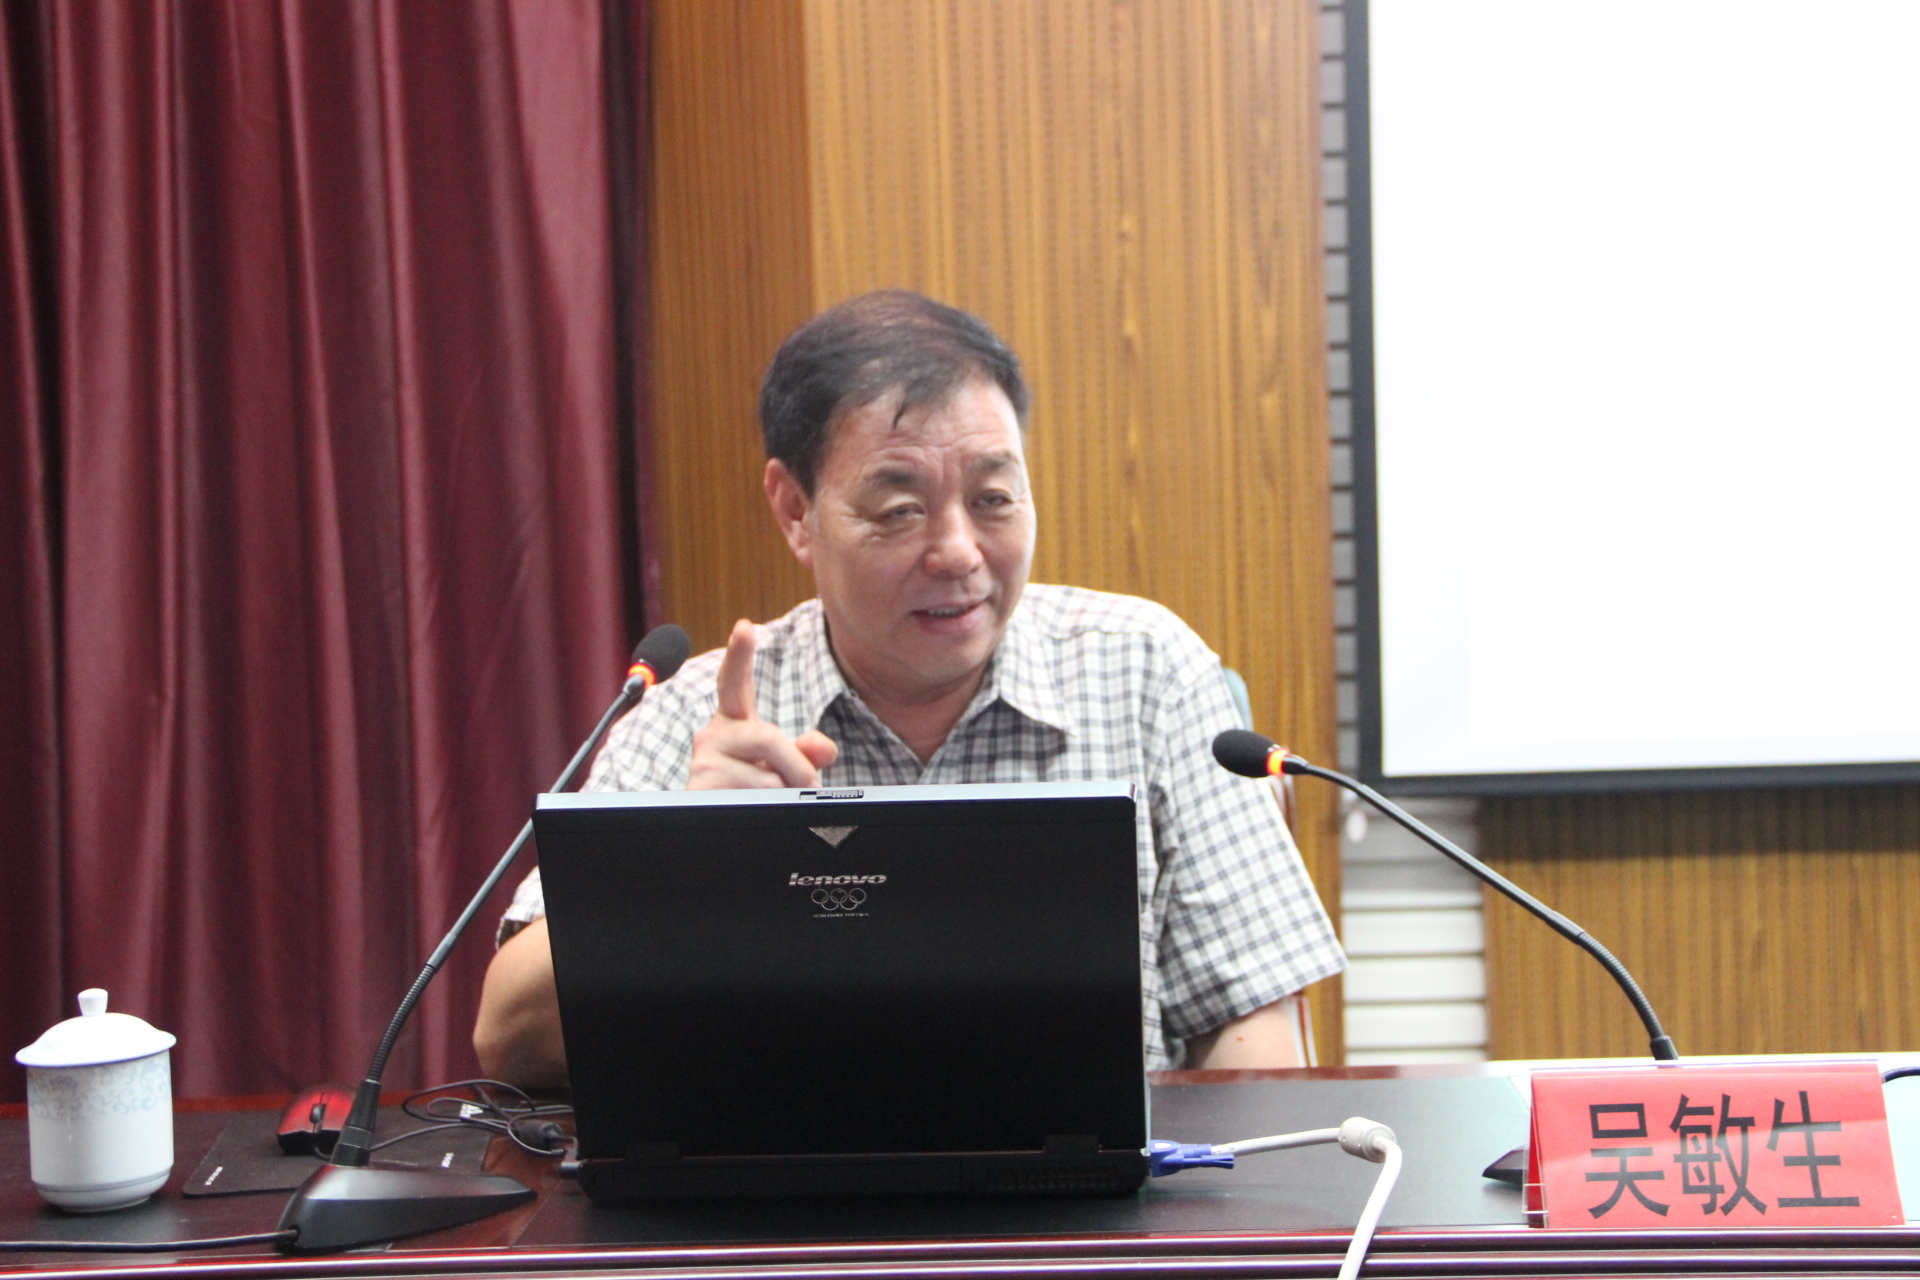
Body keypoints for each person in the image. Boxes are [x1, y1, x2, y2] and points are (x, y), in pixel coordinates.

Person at [473, 291, 1344, 1087]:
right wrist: (681, 859)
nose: (958, 552)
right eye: (899, 511)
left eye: (994, 499)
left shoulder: (1147, 672)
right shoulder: (695, 714)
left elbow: (1255, 1025)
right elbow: (507, 1038)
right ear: (795, 511)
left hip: (1093, 1197)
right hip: (777, 1198)